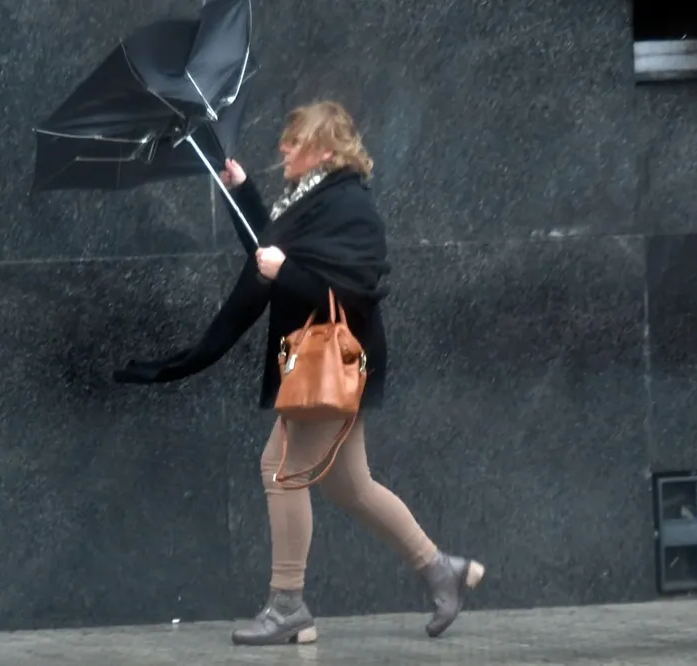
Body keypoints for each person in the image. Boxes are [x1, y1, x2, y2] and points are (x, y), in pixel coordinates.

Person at [113, 101, 484, 645]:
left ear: (326, 152)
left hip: (333, 360)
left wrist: (285, 270)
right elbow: (272, 248)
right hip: (319, 361)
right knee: (350, 483)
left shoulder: (350, 205)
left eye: (295, 141)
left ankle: (288, 605)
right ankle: (439, 569)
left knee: (279, 468)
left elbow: (354, 287)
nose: (282, 148)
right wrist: (241, 190)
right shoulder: (311, 198)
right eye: (286, 139)